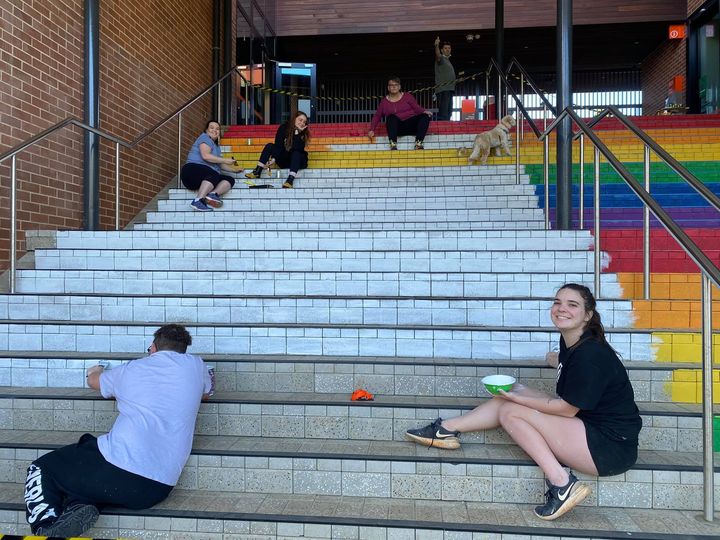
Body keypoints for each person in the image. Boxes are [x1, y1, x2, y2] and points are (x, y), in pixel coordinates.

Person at [405, 283, 642, 521]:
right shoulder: (574, 343)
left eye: (572, 305)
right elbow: (569, 380)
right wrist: (526, 383)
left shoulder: (590, 355)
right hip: (587, 429)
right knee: (509, 393)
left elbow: (567, 409)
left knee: (512, 410)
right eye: (557, 302)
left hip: (608, 449)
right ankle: (446, 429)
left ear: (587, 315)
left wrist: (519, 399)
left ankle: (562, 484)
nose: (562, 309)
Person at [23, 324, 214, 537]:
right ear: (184, 349)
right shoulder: (197, 367)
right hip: (156, 489)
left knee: (41, 468)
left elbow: (94, 382)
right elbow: (207, 392)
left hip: (117, 469)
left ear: (153, 348)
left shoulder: (131, 370)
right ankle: (78, 507)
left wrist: (95, 370)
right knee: (85, 477)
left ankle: (44, 528)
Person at [180, 120, 239, 212]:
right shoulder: (205, 138)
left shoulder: (216, 147)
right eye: (211, 128)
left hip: (204, 177)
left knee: (229, 180)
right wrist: (225, 160)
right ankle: (198, 200)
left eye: (217, 129)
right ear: (206, 130)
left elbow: (219, 164)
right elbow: (206, 156)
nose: (215, 130)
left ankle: (212, 194)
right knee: (213, 173)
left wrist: (234, 170)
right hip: (191, 172)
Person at [245, 111, 310, 188]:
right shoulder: (283, 127)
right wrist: (273, 159)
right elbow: (278, 145)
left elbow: (298, 148)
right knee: (270, 146)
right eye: (300, 120)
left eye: (304, 122)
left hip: (296, 161)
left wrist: (297, 133)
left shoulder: (303, 134)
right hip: (284, 160)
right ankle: (257, 171)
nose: (302, 123)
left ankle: (290, 180)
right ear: (294, 118)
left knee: (296, 152)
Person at [368, 77, 432, 150]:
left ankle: (418, 143)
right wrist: (372, 129)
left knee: (425, 116)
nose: (394, 86)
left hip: (412, 126)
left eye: (396, 84)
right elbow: (377, 116)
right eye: (391, 85)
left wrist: (424, 112)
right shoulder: (384, 102)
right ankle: (393, 144)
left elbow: (416, 107)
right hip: (398, 129)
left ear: (399, 87)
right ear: (388, 88)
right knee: (391, 117)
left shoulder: (407, 96)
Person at [434, 36, 456, 121]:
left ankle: (447, 129)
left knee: (449, 112)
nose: (447, 49)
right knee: (444, 113)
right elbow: (438, 55)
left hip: (450, 89)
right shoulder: (442, 58)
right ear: (442, 50)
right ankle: (442, 131)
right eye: (445, 48)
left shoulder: (448, 60)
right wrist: (436, 45)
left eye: (449, 48)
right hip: (443, 90)